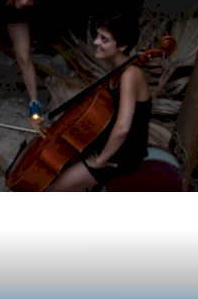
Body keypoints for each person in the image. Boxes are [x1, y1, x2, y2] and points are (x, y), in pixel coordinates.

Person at [45, 14, 151, 192]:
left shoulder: (130, 75)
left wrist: (101, 161)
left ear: (122, 46)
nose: (95, 42)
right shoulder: (117, 69)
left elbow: (123, 127)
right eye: (97, 36)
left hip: (120, 154)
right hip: (104, 142)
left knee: (53, 190)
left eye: (104, 39)